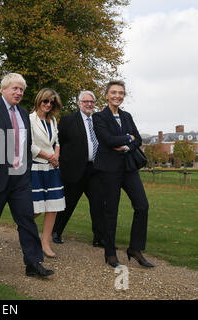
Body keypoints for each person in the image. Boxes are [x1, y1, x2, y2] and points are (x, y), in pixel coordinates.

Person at [0, 73, 53, 278]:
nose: (19, 92)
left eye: (21, 89)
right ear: (3, 89)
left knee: (26, 220)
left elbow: (26, 143)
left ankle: (33, 263)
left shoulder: (23, 113)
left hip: (20, 177)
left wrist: (27, 166)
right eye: (15, 88)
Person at [93, 80, 154, 268]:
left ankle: (135, 249)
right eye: (113, 92)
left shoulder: (127, 116)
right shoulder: (99, 117)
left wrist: (126, 143)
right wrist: (128, 138)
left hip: (128, 167)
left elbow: (138, 140)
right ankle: (110, 253)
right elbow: (108, 139)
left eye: (120, 93)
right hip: (109, 169)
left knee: (142, 206)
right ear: (106, 95)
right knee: (111, 211)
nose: (117, 96)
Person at [52, 91, 106, 248]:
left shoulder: (98, 121)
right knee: (68, 203)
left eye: (92, 101)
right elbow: (58, 143)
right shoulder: (69, 120)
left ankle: (99, 238)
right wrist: (59, 162)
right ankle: (56, 232)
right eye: (85, 101)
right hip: (74, 170)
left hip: (94, 169)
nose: (89, 104)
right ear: (79, 103)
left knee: (98, 204)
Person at [29, 88, 66, 258]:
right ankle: (24, 227)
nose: (48, 105)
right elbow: (29, 145)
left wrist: (56, 155)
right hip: (36, 167)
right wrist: (48, 156)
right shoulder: (29, 119)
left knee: (53, 206)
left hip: (52, 168)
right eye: (46, 101)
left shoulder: (53, 121)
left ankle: (45, 242)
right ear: (39, 101)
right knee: (36, 207)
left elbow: (56, 141)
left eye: (52, 102)